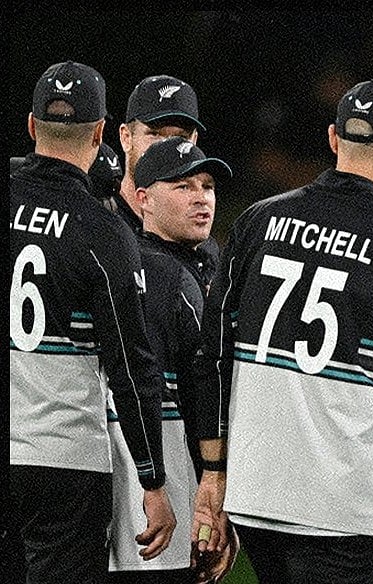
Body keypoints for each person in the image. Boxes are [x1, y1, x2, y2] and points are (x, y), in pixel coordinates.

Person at [190, 79, 373, 584]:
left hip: (256, 495)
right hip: (340, 506)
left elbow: (213, 358)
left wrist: (213, 473)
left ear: (334, 139)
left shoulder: (256, 222)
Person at [8, 60, 174, 583]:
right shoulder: (104, 234)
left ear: (32, 126)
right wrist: (153, 481)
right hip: (63, 458)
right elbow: (131, 366)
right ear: (103, 131)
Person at [105, 137, 236, 583]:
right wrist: (214, 498)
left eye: (207, 185)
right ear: (143, 199)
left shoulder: (195, 265)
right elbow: (204, 396)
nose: (201, 197)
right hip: (168, 481)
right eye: (182, 187)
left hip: (123, 475)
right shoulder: (169, 277)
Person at [116, 74, 221, 288]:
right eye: (154, 134)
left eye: (180, 138)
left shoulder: (203, 245)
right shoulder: (101, 224)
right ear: (126, 138)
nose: (169, 149)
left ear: (194, 142)